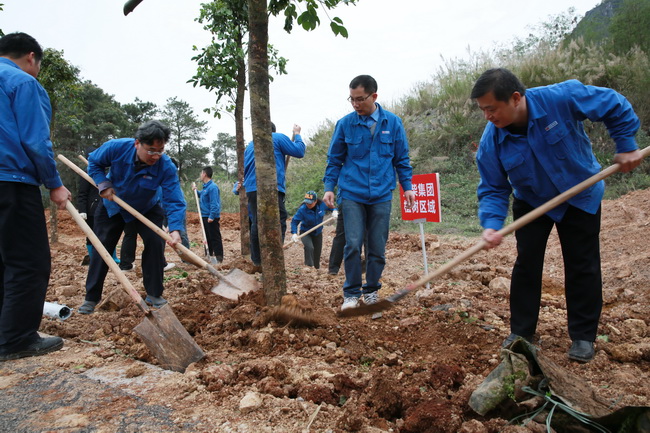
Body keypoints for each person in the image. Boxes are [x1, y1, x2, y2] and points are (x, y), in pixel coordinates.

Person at [470, 68, 643, 362]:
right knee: (527, 264)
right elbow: (493, 188)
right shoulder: (492, 141)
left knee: (582, 263)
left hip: (580, 194)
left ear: (515, 98)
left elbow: (613, 103)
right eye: (483, 110)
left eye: (491, 108)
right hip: (533, 202)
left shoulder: (560, 98)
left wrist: (626, 144)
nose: (488, 116)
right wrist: (491, 224)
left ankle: (583, 337)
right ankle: (522, 332)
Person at [0, 32, 72, 361]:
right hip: (12, 182)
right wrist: (54, 183)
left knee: (3, 260)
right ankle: (16, 339)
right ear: (32, 57)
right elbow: (35, 140)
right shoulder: (23, 82)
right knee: (29, 263)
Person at [323, 75, 415, 312]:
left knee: (376, 247)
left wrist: (408, 187)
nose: (355, 104)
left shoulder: (393, 123)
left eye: (360, 99)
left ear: (374, 96)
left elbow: (402, 159)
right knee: (352, 244)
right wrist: (329, 188)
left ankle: (372, 291)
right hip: (352, 193)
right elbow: (334, 160)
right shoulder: (345, 124)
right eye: (351, 99)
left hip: (382, 194)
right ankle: (352, 294)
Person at [79, 120, 186, 314]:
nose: (155, 155)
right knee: (101, 248)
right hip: (114, 205)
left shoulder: (166, 166)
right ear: (137, 143)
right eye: (151, 150)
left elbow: (174, 199)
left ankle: (154, 293)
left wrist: (176, 228)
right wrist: (103, 183)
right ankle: (91, 297)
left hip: (147, 206)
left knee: (155, 243)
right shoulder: (116, 147)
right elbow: (94, 162)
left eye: (160, 150)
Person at [243, 123, 305, 268]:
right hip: (270, 186)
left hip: (251, 187)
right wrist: (297, 134)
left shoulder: (251, 145)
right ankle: (276, 254)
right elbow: (299, 151)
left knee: (257, 222)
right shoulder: (277, 138)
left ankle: (257, 260)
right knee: (280, 217)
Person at [78, 145, 120, 266]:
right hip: (91, 210)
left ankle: (112, 257)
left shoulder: (105, 172)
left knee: (108, 233)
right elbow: (82, 193)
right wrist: (82, 210)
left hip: (105, 207)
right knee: (91, 235)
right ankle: (93, 258)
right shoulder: (86, 173)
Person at [290, 191, 336, 269]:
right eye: (307, 203)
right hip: (305, 232)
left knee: (317, 253)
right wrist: (294, 233)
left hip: (317, 233)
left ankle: (316, 269)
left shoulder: (322, 205)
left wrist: (335, 211)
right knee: (309, 247)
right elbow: (294, 221)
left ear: (315, 201)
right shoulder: (302, 209)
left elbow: (332, 207)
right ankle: (309, 267)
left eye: (310, 203)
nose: (308, 205)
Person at [193, 166, 223, 264]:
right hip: (204, 216)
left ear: (205, 174)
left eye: (201, 173)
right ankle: (208, 255)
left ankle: (219, 257)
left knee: (214, 237)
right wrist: (195, 191)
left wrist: (212, 216)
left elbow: (214, 204)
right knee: (207, 237)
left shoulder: (213, 187)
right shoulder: (205, 187)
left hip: (211, 217)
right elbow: (201, 194)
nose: (200, 175)